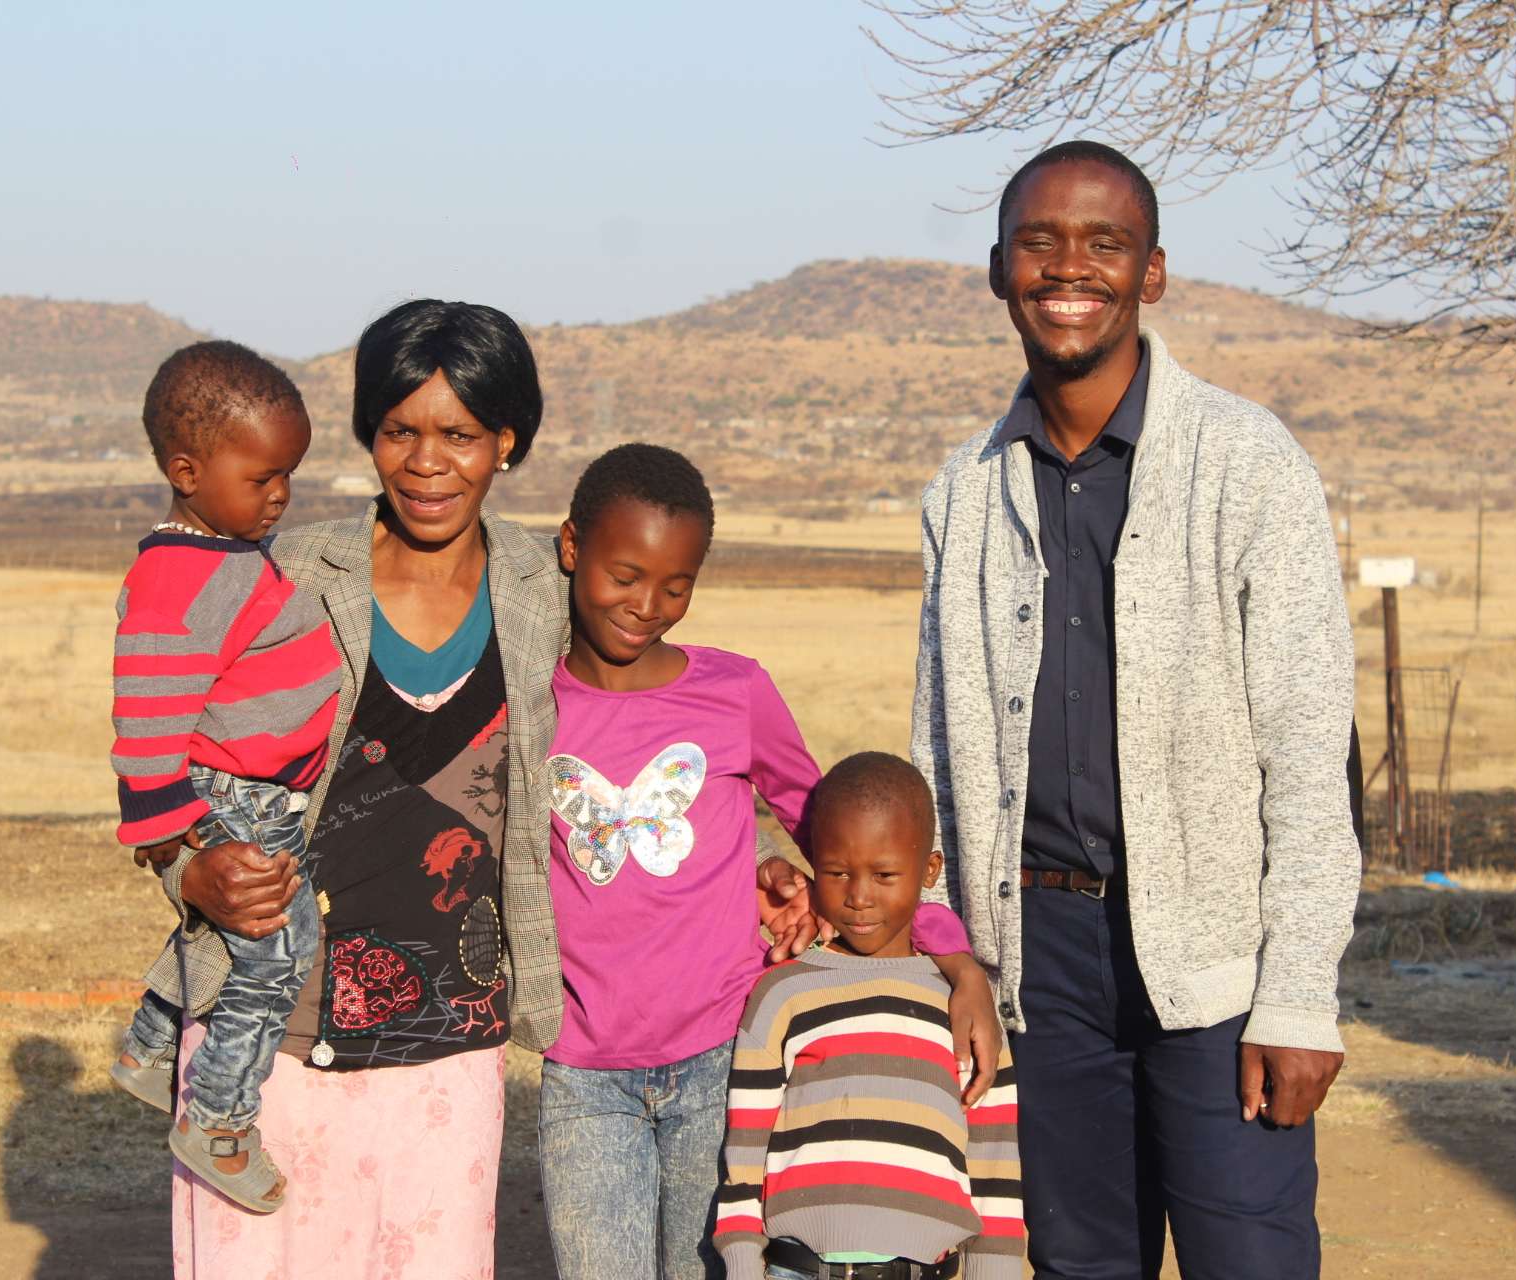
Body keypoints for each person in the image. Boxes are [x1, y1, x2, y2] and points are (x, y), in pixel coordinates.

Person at [136, 301, 868, 1278]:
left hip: (454, 1038)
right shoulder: (289, 574)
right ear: (368, 435)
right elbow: (160, 739)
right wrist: (190, 869)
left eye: (461, 434)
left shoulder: (539, 584)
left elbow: (640, 701)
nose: (428, 461)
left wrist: (753, 853)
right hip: (272, 1025)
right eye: (400, 430)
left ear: (507, 442)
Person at [910, 141, 1361, 1279]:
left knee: (1246, 1255)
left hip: (1216, 956)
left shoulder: (1247, 463)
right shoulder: (964, 490)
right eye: (1041, 240)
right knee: (1078, 1261)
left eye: (1105, 242)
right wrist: (955, 951)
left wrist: (1302, 992)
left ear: (1151, 272)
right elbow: (940, 757)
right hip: (1039, 965)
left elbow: (1311, 750)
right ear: (998, 268)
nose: (1071, 266)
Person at [536, 444, 997, 1280]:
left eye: (677, 586)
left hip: (722, 1061)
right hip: (581, 1072)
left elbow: (842, 841)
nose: (648, 605)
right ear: (572, 548)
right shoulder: (531, 705)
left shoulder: (733, 692)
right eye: (626, 574)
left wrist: (947, 945)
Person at [107, 341, 339, 1213]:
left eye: (290, 475)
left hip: (267, 794)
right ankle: (218, 1118)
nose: (281, 495)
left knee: (232, 938)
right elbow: (147, 725)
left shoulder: (226, 552)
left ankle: (148, 1046)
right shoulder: (177, 581)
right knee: (277, 960)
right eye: (263, 477)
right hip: (237, 798)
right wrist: (170, 836)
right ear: (187, 471)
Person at [713, 752, 1027, 1280]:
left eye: (884, 874)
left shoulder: (965, 1010)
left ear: (928, 871)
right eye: (837, 872)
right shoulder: (780, 996)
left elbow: (996, 1177)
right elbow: (742, 1162)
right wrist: (743, 1266)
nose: (858, 897)